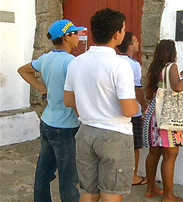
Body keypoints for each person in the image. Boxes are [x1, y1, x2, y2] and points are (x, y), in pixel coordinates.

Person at [63, 8, 138, 202]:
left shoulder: (76, 63)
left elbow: (69, 101)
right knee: (111, 194)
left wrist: (90, 112)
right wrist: (138, 107)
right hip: (114, 134)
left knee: (88, 192)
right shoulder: (120, 65)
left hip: (86, 132)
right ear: (116, 34)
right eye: (123, 29)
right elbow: (128, 109)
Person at [17, 19, 84, 202]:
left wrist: (42, 89)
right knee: (68, 179)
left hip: (47, 123)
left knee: (43, 174)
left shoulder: (46, 58)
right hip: (66, 127)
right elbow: (75, 98)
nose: (78, 36)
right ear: (66, 37)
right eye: (75, 33)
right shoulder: (71, 62)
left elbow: (23, 70)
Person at [143, 39, 183, 202]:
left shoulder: (153, 70)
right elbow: (178, 87)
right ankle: (168, 196)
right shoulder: (172, 67)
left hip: (153, 113)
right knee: (170, 154)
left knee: (153, 152)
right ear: (172, 52)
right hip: (168, 115)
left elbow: (149, 95)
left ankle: (151, 189)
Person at [116, 31, 148, 186]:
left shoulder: (113, 61)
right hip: (132, 110)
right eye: (136, 41)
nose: (138, 43)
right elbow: (138, 89)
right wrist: (145, 106)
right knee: (134, 145)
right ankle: (133, 176)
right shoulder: (133, 65)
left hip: (115, 110)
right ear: (130, 47)